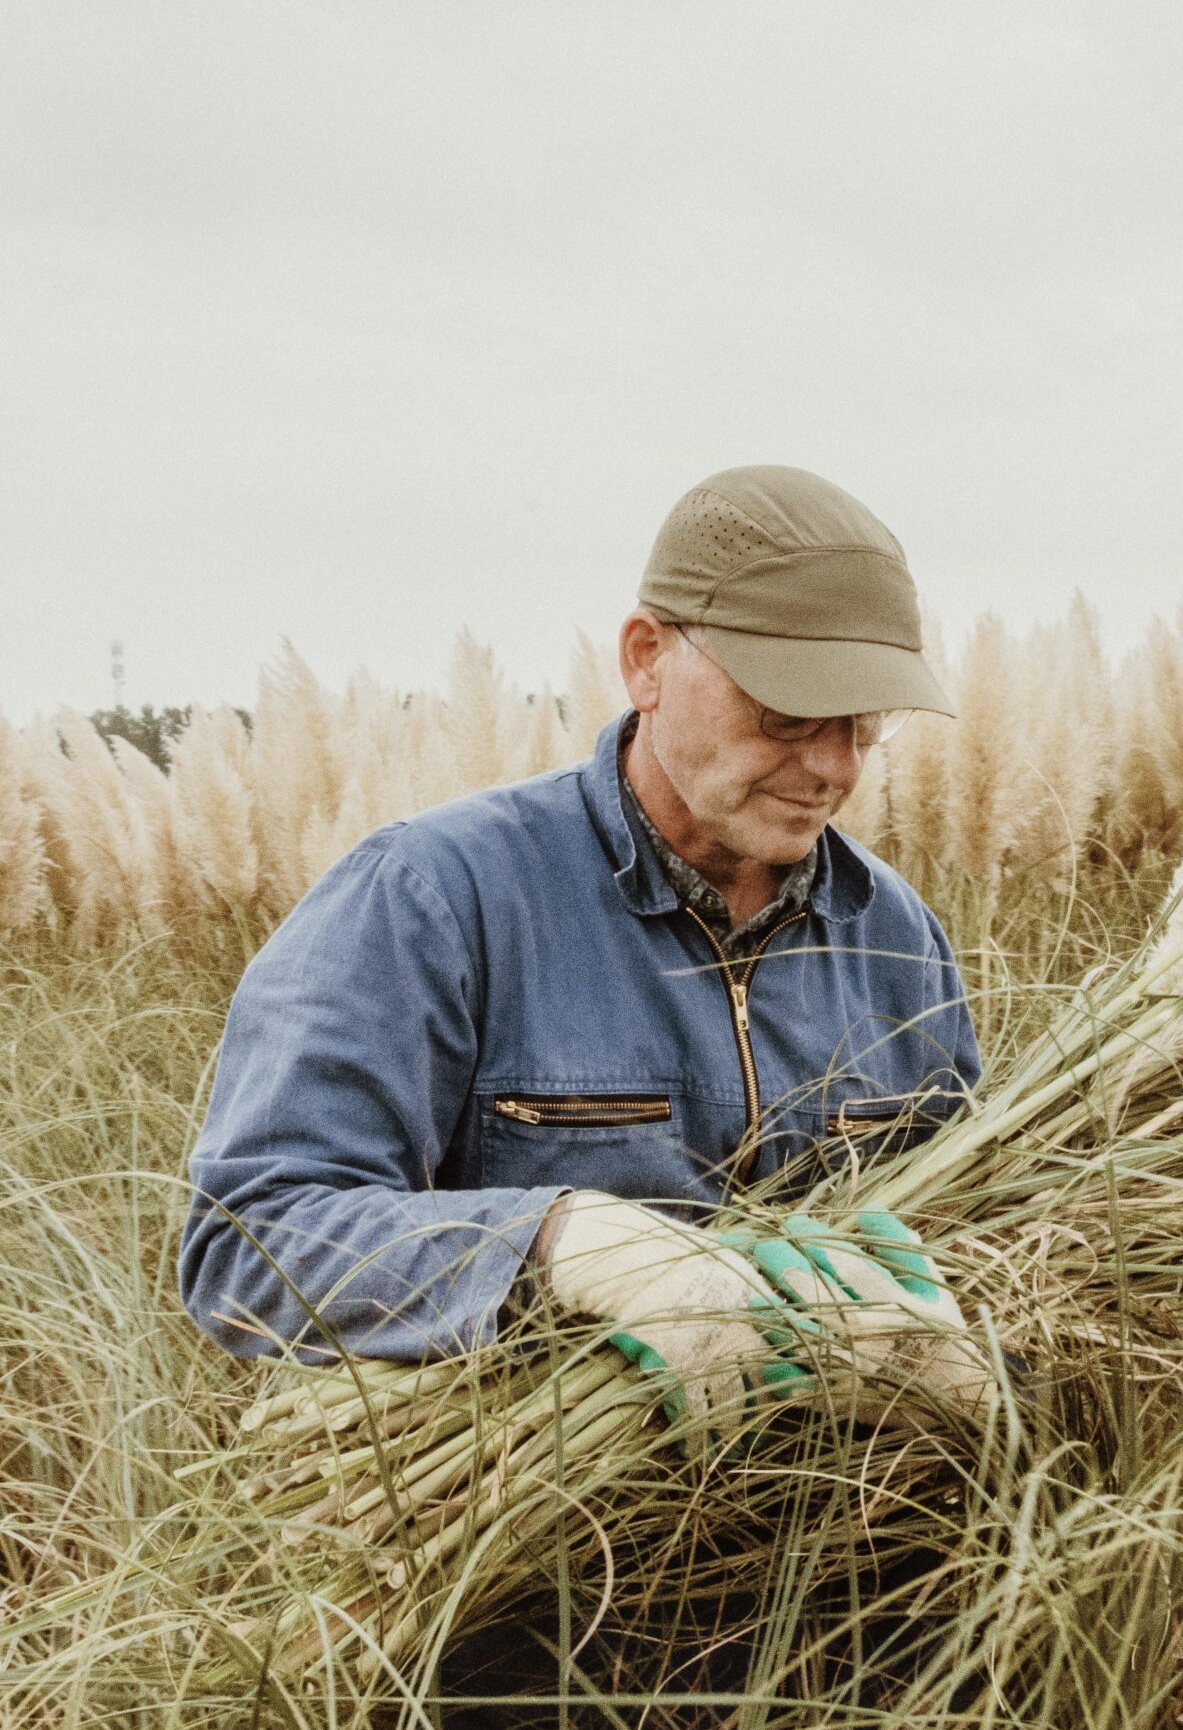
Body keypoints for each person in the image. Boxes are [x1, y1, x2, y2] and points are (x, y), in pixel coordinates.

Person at [179, 463, 986, 1433]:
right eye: (790, 712)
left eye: (865, 721)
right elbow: (251, 1242)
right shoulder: (434, 896)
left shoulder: (896, 933)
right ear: (647, 658)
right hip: (541, 1558)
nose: (833, 766)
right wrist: (562, 1243)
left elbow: (971, 1230)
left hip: (860, 1537)